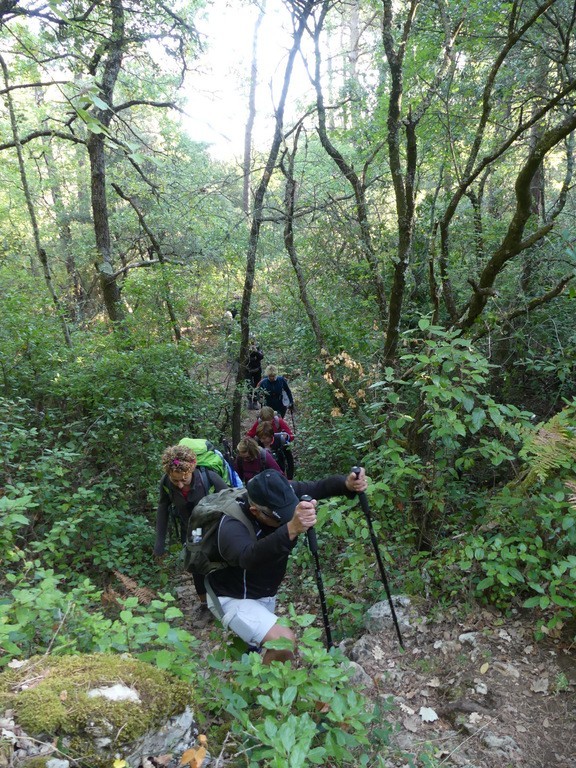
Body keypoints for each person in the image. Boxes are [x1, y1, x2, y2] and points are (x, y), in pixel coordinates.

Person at [205, 467, 367, 664]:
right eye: (280, 517)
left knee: (254, 650)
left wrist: (346, 484)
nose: (288, 518)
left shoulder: (280, 494)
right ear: (256, 511)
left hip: (261, 592)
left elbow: (318, 487)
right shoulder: (230, 525)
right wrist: (291, 528)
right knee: (284, 642)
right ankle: (267, 692)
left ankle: (251, 673)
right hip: (231, 597)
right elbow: (248, 557)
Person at [154, 444, 228, 611]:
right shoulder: (165, 483)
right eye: (175, 480)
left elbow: (231, 501)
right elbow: (162, 509)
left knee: (219, 563)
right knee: (196, 565)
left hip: (214, 528)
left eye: (184, 479)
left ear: (192, 469)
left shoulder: (209, 477)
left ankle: (224, 599)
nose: (180, 485)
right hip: (191, 530)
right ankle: (205, 604)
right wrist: (159, 543)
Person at [246, 339, 264, 410]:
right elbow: (242, 359)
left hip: (257, 370)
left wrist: (256, 351)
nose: (252, 343)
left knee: (257, 385)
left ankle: (255, 402)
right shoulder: (245, 348)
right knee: (249, 385)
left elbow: (261, 357)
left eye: (253, 342)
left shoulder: (258, 347)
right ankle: (250, 402)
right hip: (248, 370)